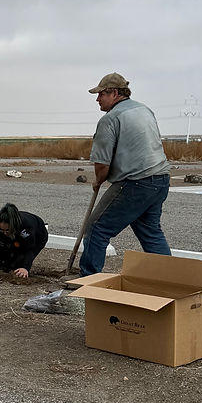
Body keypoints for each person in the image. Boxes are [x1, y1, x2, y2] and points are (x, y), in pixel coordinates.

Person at [79, 73, 172, 276]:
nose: (97, 99)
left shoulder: (110, 119)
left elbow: (102, 163)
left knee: (97, 228)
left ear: (114, 93)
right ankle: (168, 279)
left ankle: (87, 280)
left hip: (136, 182)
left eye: (101, 94)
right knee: (151, 232)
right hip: (160, 180)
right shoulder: (144, 110)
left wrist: (98, 180)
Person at [0, 204, 49, 278]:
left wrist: (25, 267)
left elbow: (29, 249)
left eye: (7, 230)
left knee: (17, 264)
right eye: (2, 230)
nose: (5, 233)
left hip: (38, 236)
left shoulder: (26, 227)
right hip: (15, 234)